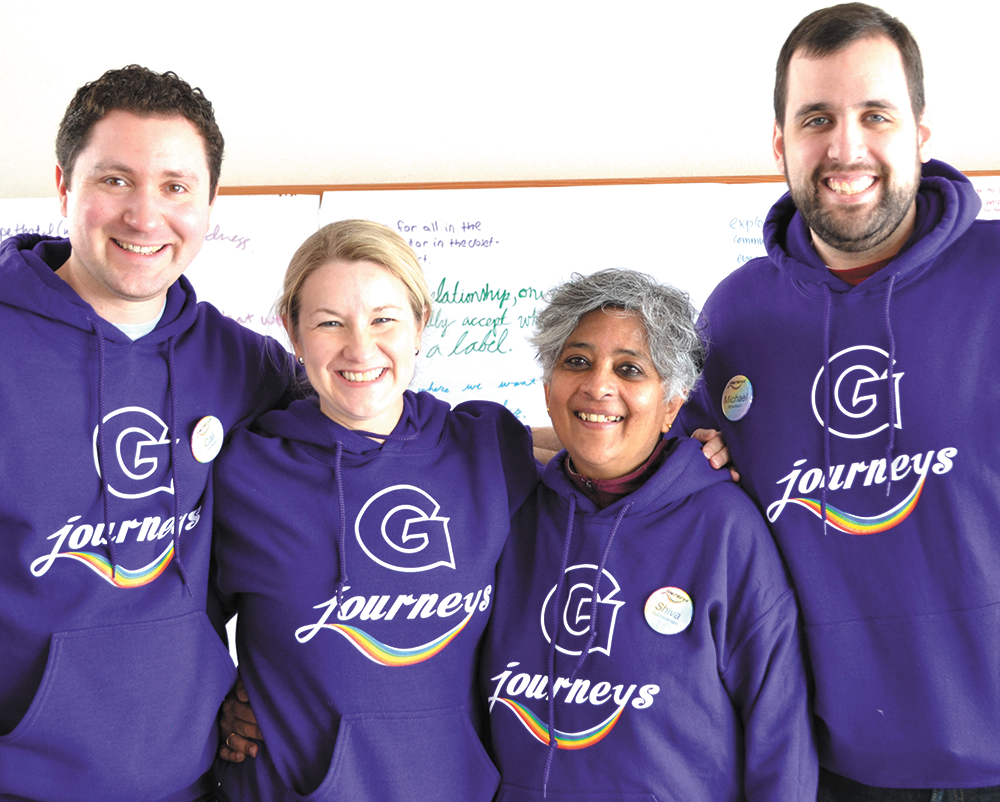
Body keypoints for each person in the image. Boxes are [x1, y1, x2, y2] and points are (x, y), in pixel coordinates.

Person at [678, 2, 1000, 799]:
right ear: (782, 145)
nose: (845, 147)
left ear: (920, 134)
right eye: (817, 118)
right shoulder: (734, 317)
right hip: (838, 771)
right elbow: (697, 494)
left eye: (875, 115)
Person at [0, 66, 293, 802]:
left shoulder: (239, 362)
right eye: (116, 180)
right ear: (65, 188)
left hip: (188, 779)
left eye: (174, 186)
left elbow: (387, 443)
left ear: (208, 203)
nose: (144, 215)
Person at [210, 219, 539, 801]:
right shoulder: (243, 472)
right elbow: (174, 620)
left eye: (384, 319)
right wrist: (219, 703)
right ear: (292, 331)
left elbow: (598, 452)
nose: (360, 348)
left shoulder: (485, 449)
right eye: (330, 322)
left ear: (420, 325)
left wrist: (697, 443)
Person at [482, 268, 817, 800]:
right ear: (548, 391)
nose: (598, 385)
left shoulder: (723, 527)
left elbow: (779, 733)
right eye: (576, 362)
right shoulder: (508, 511)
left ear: (672, 405)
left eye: (630, 368)